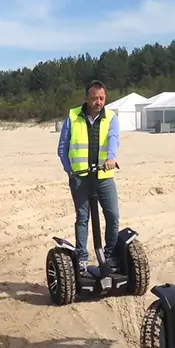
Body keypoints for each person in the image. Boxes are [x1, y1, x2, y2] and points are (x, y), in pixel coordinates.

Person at [57, 80, 122, 274]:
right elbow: (62, 148)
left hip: (104, 176)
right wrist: (70, 170)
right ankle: (82, 259)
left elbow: (114, 139)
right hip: (80, 177)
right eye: (94, 98)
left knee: (113, 216)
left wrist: (111, 158)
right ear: (86, 98)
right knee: (83, 218)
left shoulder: (111, 117)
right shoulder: (73, 116)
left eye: (102, 98)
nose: (98, 102)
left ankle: (109, 256)